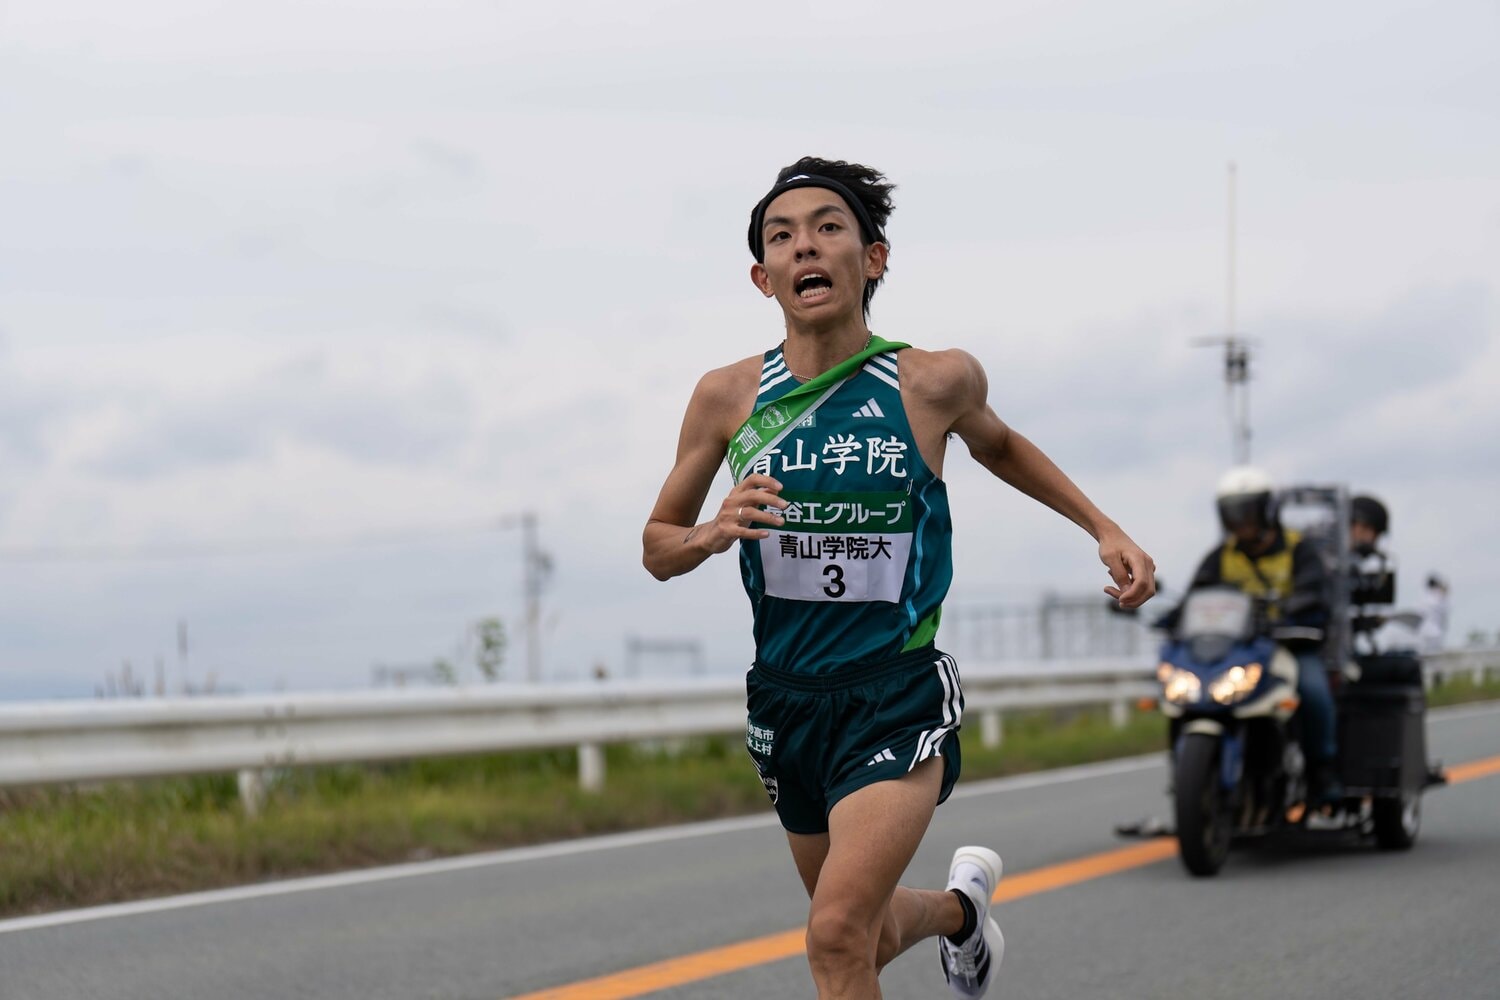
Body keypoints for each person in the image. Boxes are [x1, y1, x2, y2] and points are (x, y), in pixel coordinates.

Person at [642, 156, 1156, 1000]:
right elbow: (658, 545)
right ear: (761, 276)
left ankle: (952, 919)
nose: (805, 244)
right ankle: (961, 915)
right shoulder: (726, 397)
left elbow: (1001, 447)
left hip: (894, 690)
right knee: (865, 939)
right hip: (785, 698)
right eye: (783, 236)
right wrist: (710, 531)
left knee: (835, 935)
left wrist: (1104, 528)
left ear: (872, 259)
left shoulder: (930, 379)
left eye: (827, 228)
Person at [1179, 466, 1340, 803]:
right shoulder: (1221, 556)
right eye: (1233, 513)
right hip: (1240, 650)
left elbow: (1315, 589)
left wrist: (1293, 607)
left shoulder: (1299, 548)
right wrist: (1168, 616)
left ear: (1267, 510)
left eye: (1247, 511)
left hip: (1289, 646)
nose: (1241, 521)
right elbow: (1195, 596)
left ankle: (1321, 768)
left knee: (1313, 692)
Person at [1418, 574, 1450, 654]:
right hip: (1436, 633)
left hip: (1424, 633)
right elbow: (1445, 612)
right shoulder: (1438, 597)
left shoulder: (1423, 599)